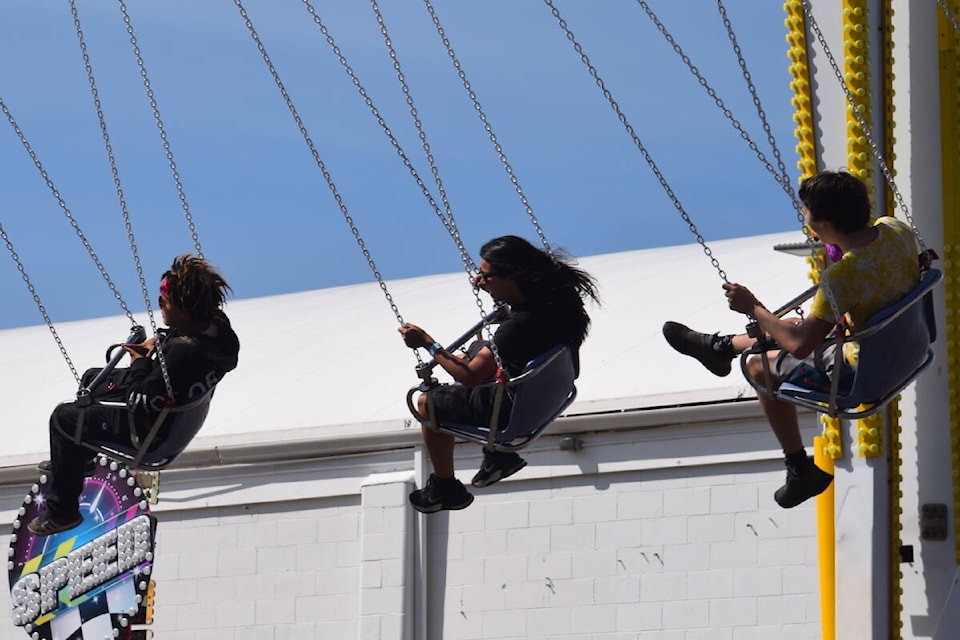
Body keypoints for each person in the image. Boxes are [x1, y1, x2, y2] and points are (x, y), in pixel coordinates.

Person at [662, 170, 919, 508]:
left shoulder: (841, 278)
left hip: (863, 373)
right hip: (909, 347)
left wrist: (753, 306)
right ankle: (719, 347)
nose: (805, 217)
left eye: (808, 212)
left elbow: (800, 346)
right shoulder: (895, 230)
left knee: (759, 367)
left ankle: (799, 469)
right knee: (793, 324)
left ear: (822, 221)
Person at [28, 254, 240, 536]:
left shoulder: (181, 356)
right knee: (93, 378)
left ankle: (62, 512)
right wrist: (162, 341)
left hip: (148, 431)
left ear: (184, 307)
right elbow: (181, 351)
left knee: (65, 418)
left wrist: (139, 359)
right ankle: (81, 459)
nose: (160, 307)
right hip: (171, 408)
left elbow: (139, 397)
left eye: (164, 302)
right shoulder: (220, 332)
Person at [399, 235, 599, 513]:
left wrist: (427, 342)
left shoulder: (518, 326)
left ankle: (445, 487)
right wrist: (489, 285)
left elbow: (469, 377)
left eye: (486, 276)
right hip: (540, 398)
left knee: (427, 402)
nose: (479, 281)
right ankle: (498, 457)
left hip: (507, 409)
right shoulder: (560, 305)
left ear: (513, 276)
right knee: (479, 347)